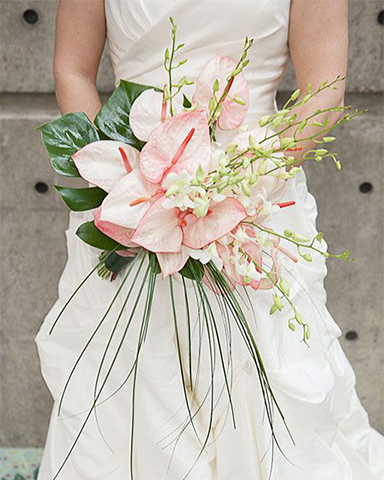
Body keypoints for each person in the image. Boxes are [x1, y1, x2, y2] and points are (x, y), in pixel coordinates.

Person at [36, 1, 384, 479]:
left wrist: (231, 186)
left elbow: (322, 94)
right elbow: (72, 67)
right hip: (129, 201)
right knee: (124, 390)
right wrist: (125, 181)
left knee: (261, 381)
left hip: (257, 202)